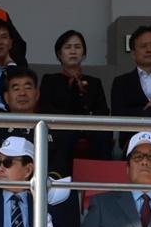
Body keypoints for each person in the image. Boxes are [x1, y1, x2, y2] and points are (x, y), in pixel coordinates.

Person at [37, 30, 111, 166]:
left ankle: (104, 175)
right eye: (67, 47)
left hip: (89, 128)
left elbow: (103, 111)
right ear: (59, 54)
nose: (73, 51)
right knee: (66, 134)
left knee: (103, 135)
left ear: (84, 53)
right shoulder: (50, 80)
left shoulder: (94, 82)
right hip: (62, 128)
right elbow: (46, 108)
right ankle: (58, 176)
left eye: (77, 47)